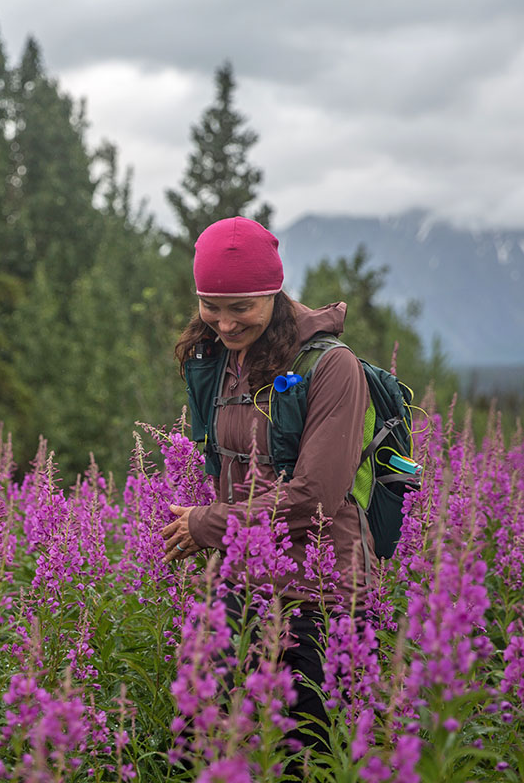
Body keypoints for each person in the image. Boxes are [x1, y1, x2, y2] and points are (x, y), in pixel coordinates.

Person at [159, 215, 374, 752]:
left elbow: (316, 495)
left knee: (302, 756)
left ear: (274, 294)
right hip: (240, 581)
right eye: (211, 306)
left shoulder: (332, 367)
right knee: (198, 741)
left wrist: (208, 524)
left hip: (317, 593)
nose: (225, 323)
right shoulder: (221, 358)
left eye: (241, 307)